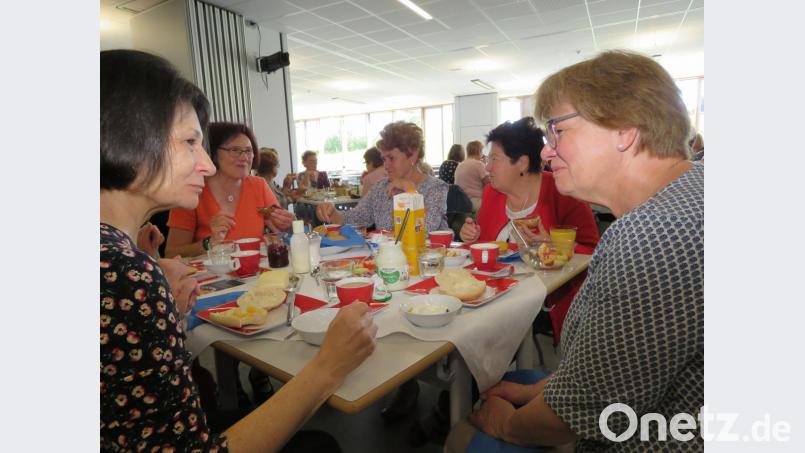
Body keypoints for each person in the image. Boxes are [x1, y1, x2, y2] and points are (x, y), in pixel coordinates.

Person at [101, 49, 377, 452]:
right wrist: (327, 369)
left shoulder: (119, 259)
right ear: (126, 137)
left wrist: (168, 312)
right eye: (191, 142)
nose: (208, 165)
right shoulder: (123, 273)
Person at [448, 50, 704, 452]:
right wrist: (547, 389)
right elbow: (626, 368)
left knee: (463, 437)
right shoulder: (694, 195)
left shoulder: (651, 236)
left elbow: (583, 412)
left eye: (558, 132)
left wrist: (508, 424)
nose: (547, 152)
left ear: (624, 129)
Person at [459, 118, 599, 343]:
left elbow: (594, 253)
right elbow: (485, 251)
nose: (488, 167)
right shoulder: (492, 194)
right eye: (487, 159)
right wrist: (471, 237)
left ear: (522, 163)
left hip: (542, 301)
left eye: (494, 159)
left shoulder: (562, 192)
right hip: (493, 294)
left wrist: (558, 245)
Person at [164, 122, 296, 258]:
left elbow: (279, 232)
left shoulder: (258, 185)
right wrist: (210, 242)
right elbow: (171, 253)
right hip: (213, 275)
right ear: (213, 154)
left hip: (256, 272)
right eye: (235, 150)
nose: (244, 157)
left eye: (248, 151)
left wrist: (290, 226)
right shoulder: (192, 190)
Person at [315, 121, 449, 233]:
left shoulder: (435, 188)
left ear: (413, 155)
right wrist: (333, 213)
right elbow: (358, 216)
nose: (386, 165)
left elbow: (422, 230)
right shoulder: (381, 187)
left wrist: (410, 191)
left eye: (391, 158)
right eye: (384, 159)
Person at [453, 140, 490, 213]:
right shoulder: (478, 164)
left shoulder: (460, 165)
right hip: (474, 202)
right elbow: (488, 183)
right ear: (479, 151)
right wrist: (486, 165)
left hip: (460, 202)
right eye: (482, 151)